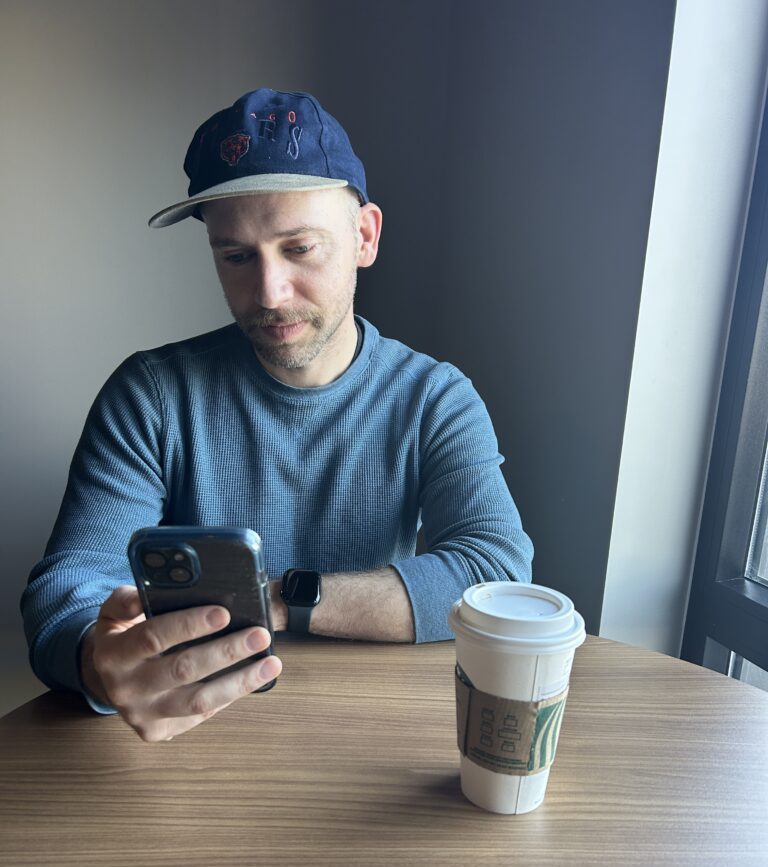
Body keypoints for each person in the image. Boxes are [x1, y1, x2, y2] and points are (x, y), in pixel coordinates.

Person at [21, 88, 534, 742]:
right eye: (236, 256)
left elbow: (493, 570)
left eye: (299, 249)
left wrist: (279, 602)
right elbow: (69, 584)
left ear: (364, 236)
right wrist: (99, 664)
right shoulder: (151, 395)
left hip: (376, 736)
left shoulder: (435, 398)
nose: (268, 292)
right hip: (190, 738)